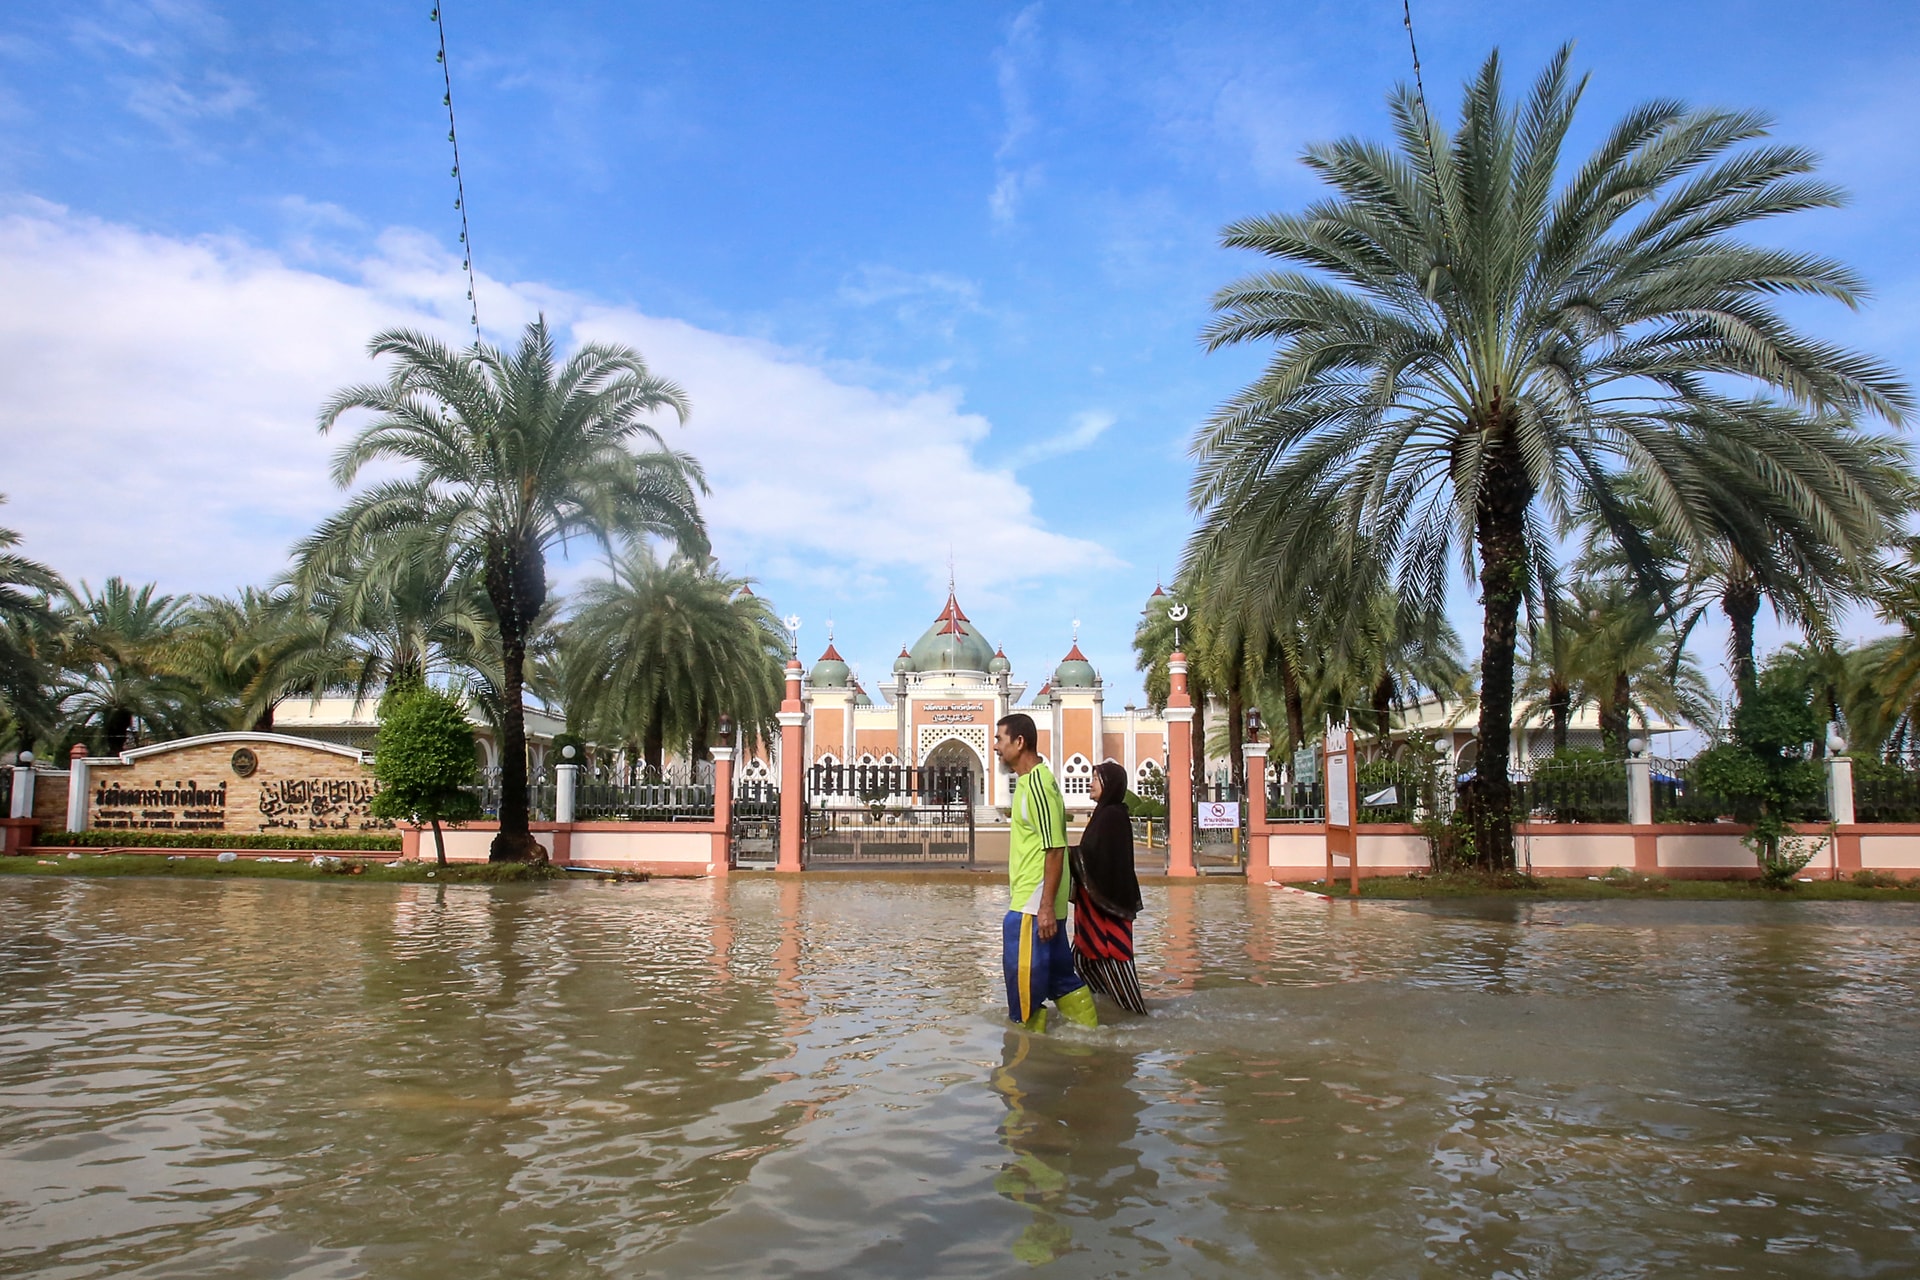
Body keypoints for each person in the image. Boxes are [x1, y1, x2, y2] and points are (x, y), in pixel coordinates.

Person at [994, 713, 1098, 1033]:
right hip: (1039, 902)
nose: (995, 747)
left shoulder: (1038, 784)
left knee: (1023, 992)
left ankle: (1023, 1068)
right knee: (1059, 979)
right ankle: (1090, 1041)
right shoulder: (1029, 783)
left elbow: (1054, 848)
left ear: (1019, 742)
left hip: (1033, 904)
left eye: (1000, 739)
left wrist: (1045, 907)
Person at [1070, 761, 1147, 1014]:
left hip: (1108, 911)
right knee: (1081, 961)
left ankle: (1135, 1017)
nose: (1090, 783)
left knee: (1116, 962)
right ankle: (1106, 1010)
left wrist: (1064, 854)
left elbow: (1100, 859)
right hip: (1094, 911)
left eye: (1096, 778)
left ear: (1109, 784)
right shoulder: (1104, 814)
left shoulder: (1113, 816)